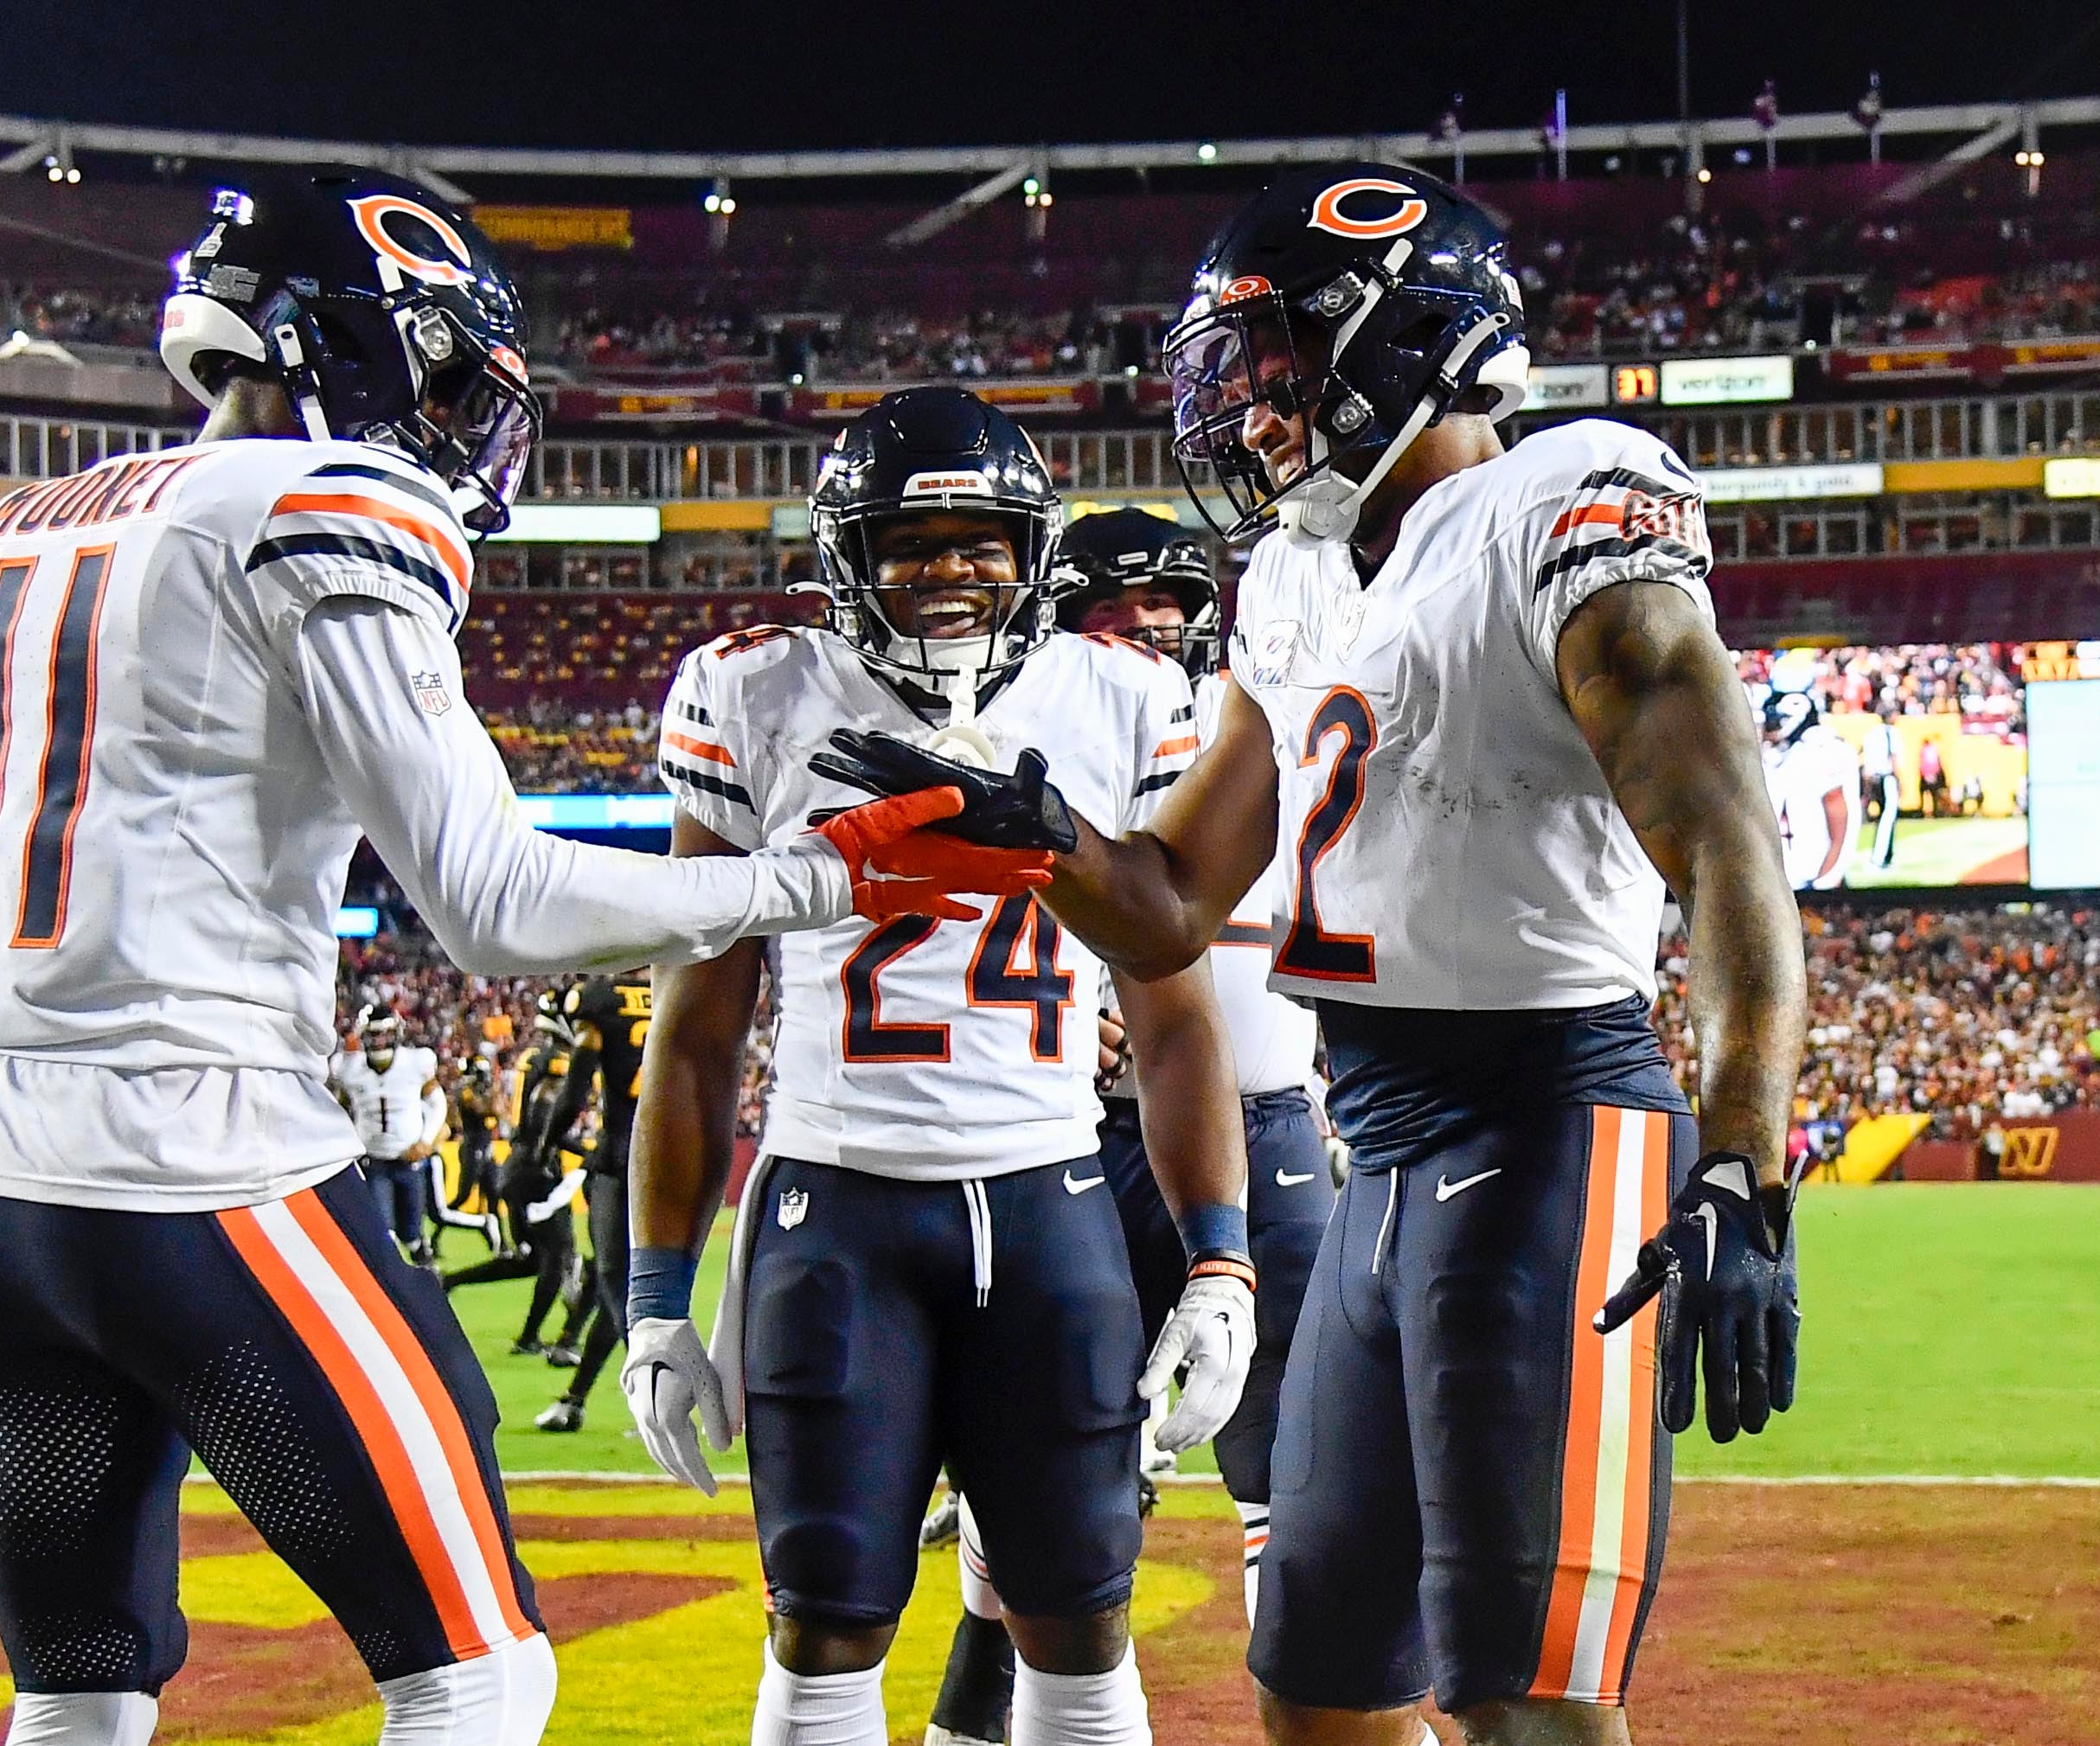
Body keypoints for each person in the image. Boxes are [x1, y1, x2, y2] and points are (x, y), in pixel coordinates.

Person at [0, 168, 1041, 1746]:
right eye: (437, 372)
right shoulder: (325, 505)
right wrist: (817, 874)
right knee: (475, 1668)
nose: (451, 419)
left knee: (76, 1689)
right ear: (340, 344)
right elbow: (490, 902)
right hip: (192, 1157)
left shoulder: (25, 524)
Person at [812, 166, 1810, 1746]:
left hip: (1554, 1119)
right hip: (1378, 1158)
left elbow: (1728, 852)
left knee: (1524, 1696)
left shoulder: (1562, 500)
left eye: (1269, 371)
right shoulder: (1289, 575)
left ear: (1397, 335)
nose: (1249, 418)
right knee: (1322, 1690)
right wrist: (1022, 828)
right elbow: (1164, 905)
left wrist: (1745, 1164)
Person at [623, 386, 1256, 1746]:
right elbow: (695, 1020)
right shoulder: (751, 687)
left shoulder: (1128, 691)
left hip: (1046, 1196)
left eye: (982, 541)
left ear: (1033, 552)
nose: (952, 571)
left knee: (1080, 1622)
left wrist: (1217, 1259)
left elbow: (1172, 1009)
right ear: (849, 551)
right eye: (916, 540)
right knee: (824, 1622)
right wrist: (653, 1292)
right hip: (833, 1202)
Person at [921, 506, 1346, 1745]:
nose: (1155, 631)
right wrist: (1057, 1011)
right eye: (1124, 611)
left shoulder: (1256, 728)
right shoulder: (1022, 737)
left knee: (1305, 1497)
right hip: (1079, 1145)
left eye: (1172, 603)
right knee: (1042, 1529)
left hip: (1260, 1133)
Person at [528, 969, 652, 1434]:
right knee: (623, 1287)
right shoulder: (672, 982)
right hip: (675, 1152)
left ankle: (658, 1398)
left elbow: (576, 1091)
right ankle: (574, 1400)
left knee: (614, 1280)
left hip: (623, 1155)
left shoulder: (599, 1000)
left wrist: (547, 1142)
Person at [442, 1003, 592, 1362]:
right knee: (557, 1258)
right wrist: (583, 1149)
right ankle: (539, 1338)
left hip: (519, 1166)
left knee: (533, 1260)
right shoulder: (556, 1059)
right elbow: (542, 1117)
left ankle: (449, 1281)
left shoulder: (534, 1056)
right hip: (536, 1169)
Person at [328, 1005, 446, 1263]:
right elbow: (339, 1110)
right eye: (373, 1035)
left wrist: (426, 1141)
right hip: (373, 1162)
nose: (379, 1041)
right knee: (383, 1234)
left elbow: (438, 1103)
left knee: (412, 1234)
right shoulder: (347, 1068)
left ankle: (428, 1276)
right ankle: (391, 1286)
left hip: (409, 1160)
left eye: (384, 1034)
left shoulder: (416, 1062)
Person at [1763, 687, 1861, 891]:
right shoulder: (1782, 755)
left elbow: (1841, 820)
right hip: (1785, 878)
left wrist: (1827, 878)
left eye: (1776, 720)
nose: (1769, 729)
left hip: (1812, 876)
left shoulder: (1824, 751)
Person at [439, 1056, 508, 1250]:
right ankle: (438, 1232)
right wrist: (494, 1093)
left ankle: (501, 1243)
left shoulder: (481, 1090)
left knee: (494, 1194)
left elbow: (501, 1112)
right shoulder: (466, 1090)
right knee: (464, 1196)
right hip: (472, 1147)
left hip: (487, 1147)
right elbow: (486, 1109)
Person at [1860, 713, 1900, 871]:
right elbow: (1894, 757)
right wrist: (1899, 780)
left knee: (1884, 817)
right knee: (1888, 817)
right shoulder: (1891, 732)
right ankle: (1880, 857)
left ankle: (1887, 856)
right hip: (1887, 777)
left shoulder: (1872, 733)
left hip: (1875, 779)